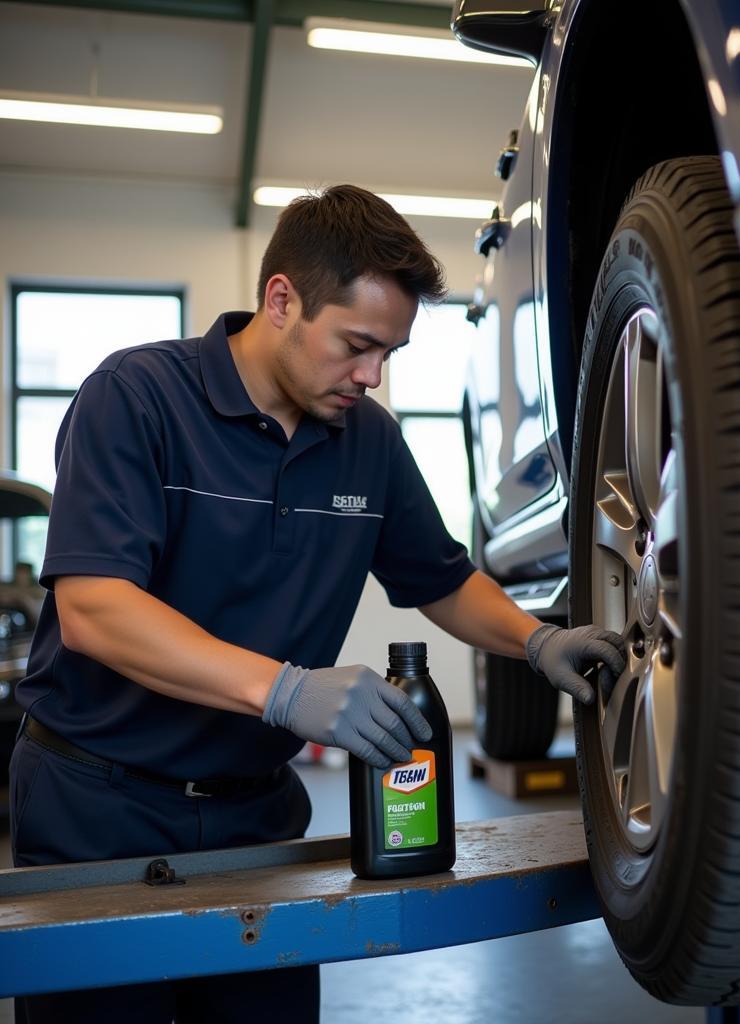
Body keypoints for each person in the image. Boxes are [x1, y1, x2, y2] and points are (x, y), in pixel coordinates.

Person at [8, 185, 625, 1023]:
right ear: (282, 300)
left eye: (390, 355)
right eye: (358, 345)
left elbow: (439, 578)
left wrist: (535, 642)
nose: (371, 377)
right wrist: (285, 689)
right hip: (98, 808)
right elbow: (94, 608)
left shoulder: (367, 439)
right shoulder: (137, 398)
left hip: (256, 819)